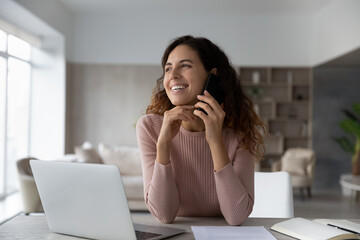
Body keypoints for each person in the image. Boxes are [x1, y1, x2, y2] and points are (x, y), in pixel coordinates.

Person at [136, 35, 265, 226]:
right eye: (168, 68)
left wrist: (215, 141)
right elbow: (164, 215)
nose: (173, 75)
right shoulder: (150, 127)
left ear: (212, 75)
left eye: (185, 65)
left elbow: (236, 217)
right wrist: (163, 144)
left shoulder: (240, 130)